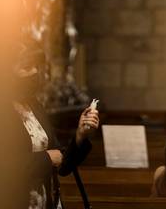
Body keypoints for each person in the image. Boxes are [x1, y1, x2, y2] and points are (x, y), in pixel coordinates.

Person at [15, 42, 99, 209]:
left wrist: (80, 135)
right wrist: (46, 159)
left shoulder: (34, 106)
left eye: (36, 66)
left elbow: (63, 164)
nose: (35, 72)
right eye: (26, 67)